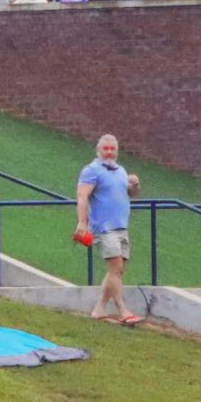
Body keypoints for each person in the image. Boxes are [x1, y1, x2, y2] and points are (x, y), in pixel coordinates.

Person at [77, 132, 141, 325]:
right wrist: (82, 222)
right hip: (104, 228)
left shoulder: (120, 171)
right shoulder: (91, 170)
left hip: (122, 226)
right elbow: (82, 196)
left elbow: (130, 194)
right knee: (115, 268)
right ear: (98, 150)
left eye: (113, 149)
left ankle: (99, 309)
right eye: (105, 148)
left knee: (118, 271)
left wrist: (134, 185)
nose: (109, 152)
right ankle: (122, 310)